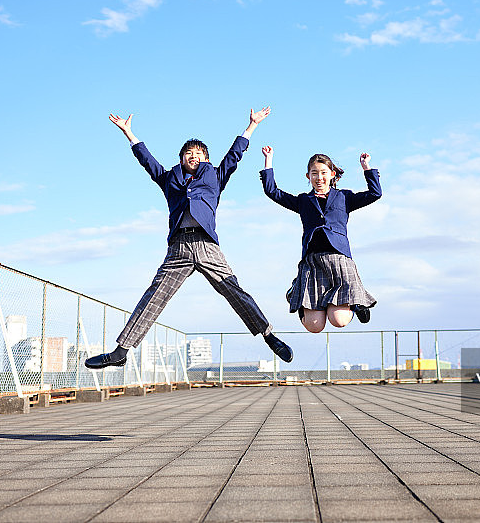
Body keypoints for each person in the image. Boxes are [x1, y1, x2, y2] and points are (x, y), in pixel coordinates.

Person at [85, 108, 293, 369]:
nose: (193, 156)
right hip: (179, 247)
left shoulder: (215, 176)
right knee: (154, 295)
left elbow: (235, 155)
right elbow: (146, 160)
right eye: (188, 153)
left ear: (206, 159)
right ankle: (121, 351)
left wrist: (251, 126)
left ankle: (269, 336)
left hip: (207, 245)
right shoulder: (169, 179)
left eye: (198, 154)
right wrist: (129, 133)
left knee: (233, 290)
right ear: (181, 158)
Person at [259, 147, 381, 333]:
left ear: (332, 174)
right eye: (314, 173)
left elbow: (375, 193)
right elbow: (273, 192)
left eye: (323, 173)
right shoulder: (303, 201)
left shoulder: (344, 197)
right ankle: (298, 297)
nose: (319, 177)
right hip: (313, 262)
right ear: (308, 176)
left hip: (339, 259)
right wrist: (268, 161)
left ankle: (356, 305)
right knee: (314, 326)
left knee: (339, 320)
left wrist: (366, 167)